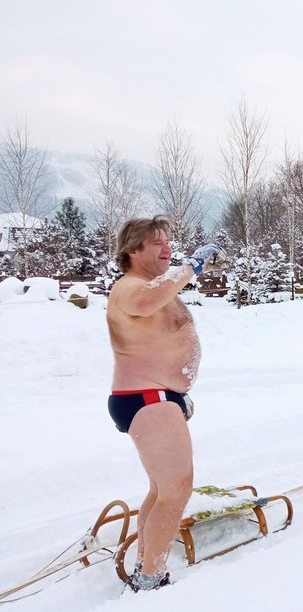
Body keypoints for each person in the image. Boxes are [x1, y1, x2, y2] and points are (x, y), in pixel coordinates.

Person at [106, 216, 226, 591]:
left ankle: (146, 564)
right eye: (157, 243)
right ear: (133, 250)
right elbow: (145, 303)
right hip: (146, 397)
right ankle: (151, 577)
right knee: (178, 488)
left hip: (158, 397)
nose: (167, 248)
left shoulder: (153, 284)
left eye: (169, 241)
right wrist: (190, 267)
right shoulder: (130, 286)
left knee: (161, 490)